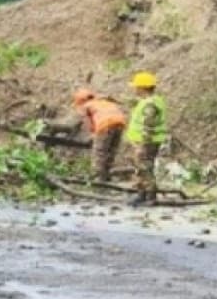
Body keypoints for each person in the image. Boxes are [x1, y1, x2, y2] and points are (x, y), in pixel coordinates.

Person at [46, 88, 128, 181]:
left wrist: (92, 135)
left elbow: (88, 123)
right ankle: (107, 174)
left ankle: (98, 176)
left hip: (105, 124)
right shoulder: (103, 102)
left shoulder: (87, 106)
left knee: (99, 151)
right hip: (120, 123)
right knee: (111, 150)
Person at [125, 71, 166, 207]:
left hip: (147, 142)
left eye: (136, 87)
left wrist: (142, 145)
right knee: (141, 168)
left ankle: (150, 197)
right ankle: (141, 194)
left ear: (142, 88)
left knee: (145, 168)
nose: (135, 89)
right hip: (143, 142)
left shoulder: (150, 105)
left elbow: (148, 126)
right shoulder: (148, 102)